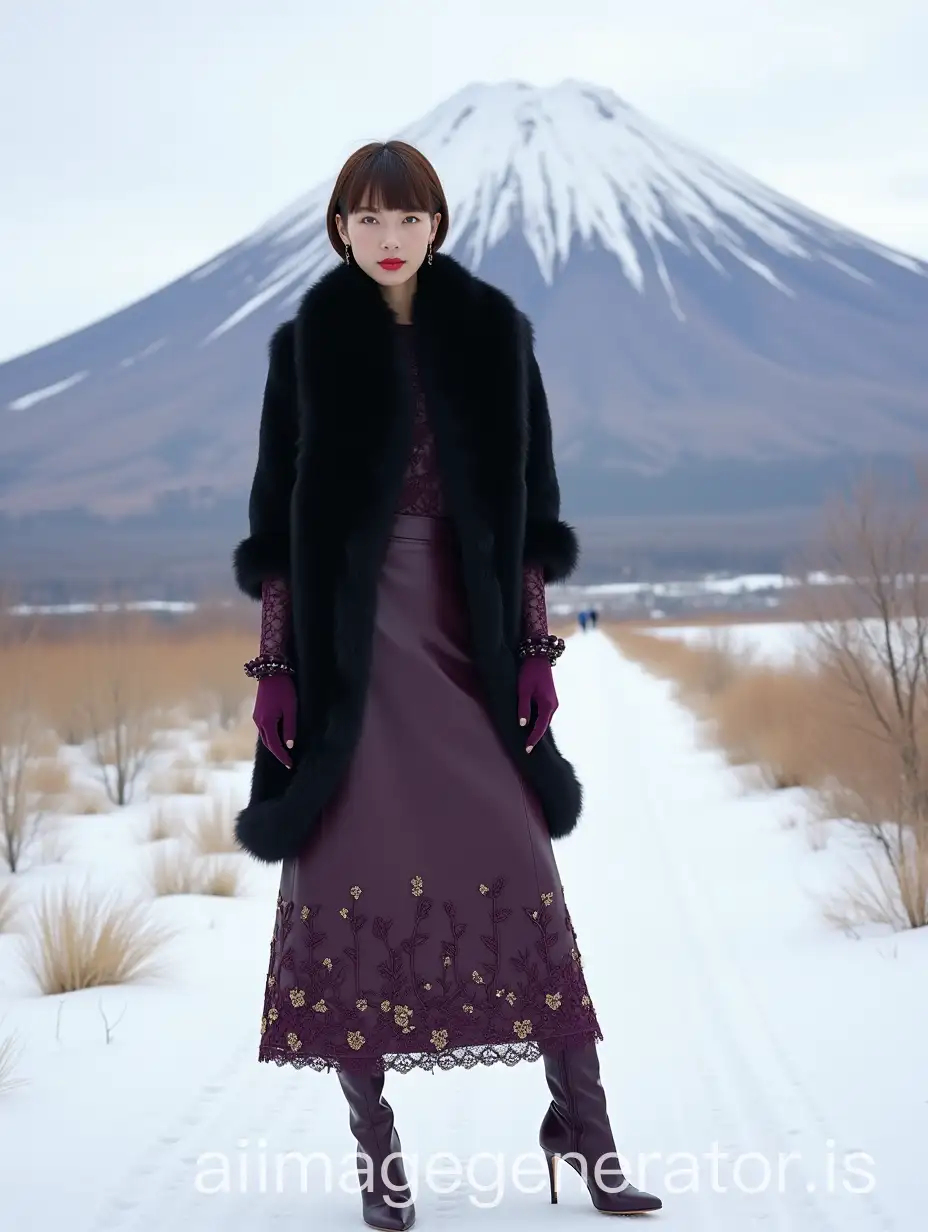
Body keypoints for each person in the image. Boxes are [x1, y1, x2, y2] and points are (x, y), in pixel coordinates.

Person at [232, 140, 661, 1228]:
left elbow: (530, 512)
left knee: (519, 863)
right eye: (365, 219)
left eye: (406, 217)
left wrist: (530, 650)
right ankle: (377, 1157)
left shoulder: (493, 339)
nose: (386, 238)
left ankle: (588, 1131)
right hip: (348, 654)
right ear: (338, 228)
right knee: (347, 874)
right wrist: (278, 666)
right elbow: (278, 522)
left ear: (437, 225)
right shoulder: (306, 347)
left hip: (466, 642)